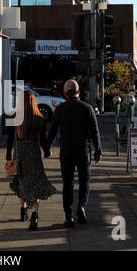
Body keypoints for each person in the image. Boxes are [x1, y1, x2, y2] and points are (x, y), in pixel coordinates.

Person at [45, 80, 102, 228]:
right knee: (85, 180)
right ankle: (82, 206)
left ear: (64, 93)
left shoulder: (60, 110)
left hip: (66, 152)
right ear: (79, 92)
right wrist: (98, 150)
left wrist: (47, 149)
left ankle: (69, 216)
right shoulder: (87, 108)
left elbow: (52, 132)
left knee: (67, 184)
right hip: (83, 151)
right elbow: (95, 132)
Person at [6, 91, 58, 231]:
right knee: (35, 184)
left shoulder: (15, 117)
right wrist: (47, 151)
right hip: (34, 154)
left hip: (20, 154)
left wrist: (8, 155)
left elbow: (10, 139)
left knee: (21, 182)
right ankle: (35, 214)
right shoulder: (39, 119)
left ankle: (23, 211)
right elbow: (42, 140)